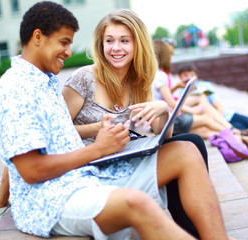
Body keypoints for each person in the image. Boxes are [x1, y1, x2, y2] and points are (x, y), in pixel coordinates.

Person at [0, 4, 231, 239]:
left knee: (187, 149)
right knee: (139, 203)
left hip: (87, 174)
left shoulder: (44, 82)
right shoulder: (17, 88)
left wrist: (161, 110)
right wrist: (98, 147)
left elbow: (23, 147)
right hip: (56, 195)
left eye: (125, 41)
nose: (69, 52)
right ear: (38, 38)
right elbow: (28, 166)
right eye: (64, 43)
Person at [62, 9, 230, 239]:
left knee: (191, 141)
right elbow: (56, 133)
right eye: (109, 41)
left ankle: (193, 230)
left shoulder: (137, 80)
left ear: (137, 44)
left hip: (120, 154)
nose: (116, 48)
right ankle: (194, 232)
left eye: (124, 40)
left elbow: (165, 135)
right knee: (188, 146)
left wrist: (163, 110)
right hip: (92, 163)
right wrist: (97, 128)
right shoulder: (84, 79)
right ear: (101, 45)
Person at [177, 64, 248, 150]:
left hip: (226, 116)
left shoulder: (205, 86)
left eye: (191, 74)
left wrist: (220, 120)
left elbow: (218, 104)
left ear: (196, 76)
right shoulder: (180, 94)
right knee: (243, 130)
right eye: (185, 75)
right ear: (180, 78)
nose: (188, 78)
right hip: (214, 124)